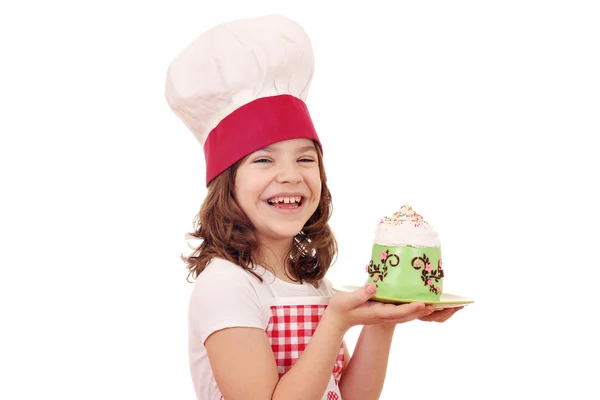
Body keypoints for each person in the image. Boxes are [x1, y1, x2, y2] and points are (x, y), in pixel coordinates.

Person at [165, 14, 461, 400]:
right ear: (226, 183)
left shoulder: (309, 280)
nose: (290, 175)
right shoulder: (226, 285)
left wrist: (382, 319)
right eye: (263, 160)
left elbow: (350, 396)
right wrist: (335, 322)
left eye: (305, 159)